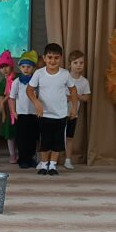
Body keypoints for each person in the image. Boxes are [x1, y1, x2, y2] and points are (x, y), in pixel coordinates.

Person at [26, 43, 78, 176]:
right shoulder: (39, 73)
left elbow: (73, 90)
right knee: (45, 141)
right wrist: (36, 102)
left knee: (57, 142)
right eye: (50, 57)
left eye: (56, 58)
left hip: (60, 115)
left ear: (60, 58)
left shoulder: (65, 74)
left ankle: (53, 165)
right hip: (44, 115)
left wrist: (74, 108)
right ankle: (44, 164)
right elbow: (29, 90)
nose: (52, 61)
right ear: (44, 58)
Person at [12, 51, 39, 169]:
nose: (26, 69)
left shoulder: (36, 82)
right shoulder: (16, 82)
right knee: (22, 137)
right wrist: (13, 111)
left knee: (32, 137)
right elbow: (12, 98)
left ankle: (30, 158)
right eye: (23, 67)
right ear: (20, 68)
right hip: (21, 114)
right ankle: (22, 159)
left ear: (33, 68)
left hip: (33, 114)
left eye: (28, 67)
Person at [65, 50, 91, 170]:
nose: (78, 65)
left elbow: (86, 97)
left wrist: (75, 96)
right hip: (58, 113)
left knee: (69, 137)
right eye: (75, 62)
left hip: (73, 114)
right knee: (56, 136)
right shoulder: (64, 77)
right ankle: (50, 160)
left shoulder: (84, 81)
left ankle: (68, 160)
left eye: (81, 62)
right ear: (70, 64)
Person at [0, 50, 18, 164]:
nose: (4, 69)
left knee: (21, 132)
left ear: (12, 66)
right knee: (10, 134)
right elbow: (1, 98)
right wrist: (3, 114)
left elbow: (12, 94)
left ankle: (24, 153)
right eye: (1, 67)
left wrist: (3, 101)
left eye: (6, 66)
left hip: (19, 110)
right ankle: (12, 154)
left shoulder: (17, 79)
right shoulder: (2, 83)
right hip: (9, 113)